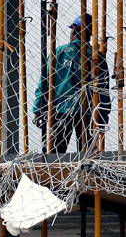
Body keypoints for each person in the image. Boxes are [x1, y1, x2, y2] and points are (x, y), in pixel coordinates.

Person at [32, 14, 111, 154]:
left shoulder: (58, 52)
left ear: (74, 30)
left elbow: (43, 83)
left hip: (59, 111)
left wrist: (38, 110)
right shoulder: (97, 58)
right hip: (87, 112)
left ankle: (56, 175)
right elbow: (103, 90)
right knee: (87, 157)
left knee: (55, 156)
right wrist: (103, 117)